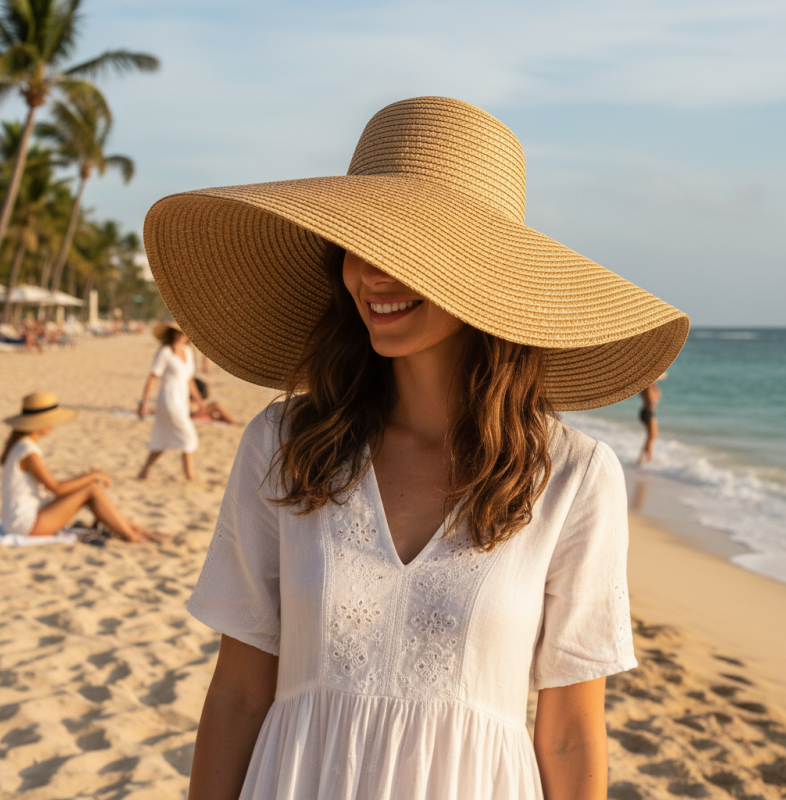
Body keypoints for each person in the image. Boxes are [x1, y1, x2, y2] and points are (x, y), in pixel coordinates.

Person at [144, 97, 690, 800]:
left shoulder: (575, 477)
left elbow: (569, 733)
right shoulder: (285, 444)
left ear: (483, 272)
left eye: (407, 249)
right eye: (356, 244)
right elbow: (239, 696)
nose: (372, 274)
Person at [0, 392, 157, 542]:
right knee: (91, 489)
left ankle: (135, 530)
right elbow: (56, 488)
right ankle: (132, 535)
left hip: (18, 519)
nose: (53, 424)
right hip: (23, 524)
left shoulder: (21, 446)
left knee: (90, 487)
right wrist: (93, 475)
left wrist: (89, 478)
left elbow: (55, 489)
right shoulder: (28, 451)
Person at [138, 322, 206, 481]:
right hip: (168, 397)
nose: (180, 336)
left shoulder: (188, 352)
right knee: (188, 436)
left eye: (183, 333)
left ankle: (144, 471)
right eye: (177, 333)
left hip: (182, 397)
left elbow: (189, 379)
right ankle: (190, 475)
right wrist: (144, 402)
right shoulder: (164, 352)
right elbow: (153, 377)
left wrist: (199, 401)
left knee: (162, 438)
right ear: (171, 334)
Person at [638, 373, 666, 464]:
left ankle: (643, 459)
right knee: (652, 437)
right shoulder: (648, 386)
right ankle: (647, 460)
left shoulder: (648, 384)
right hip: (648, 413)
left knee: (651, 437)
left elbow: (664, 375)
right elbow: (651, 399)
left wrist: (656, 378)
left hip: (648, 412)